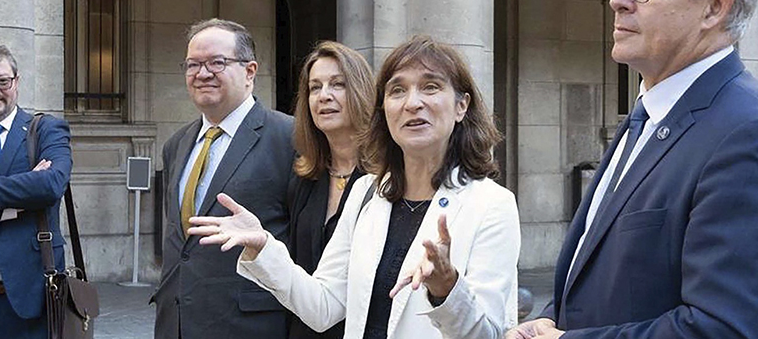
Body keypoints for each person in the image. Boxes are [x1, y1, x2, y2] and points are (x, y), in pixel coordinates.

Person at [507, 0, 758, 339]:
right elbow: (603, 278)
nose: (617, 0)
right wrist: (548, 321)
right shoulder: (650, 115)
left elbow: (730, 330)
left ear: (715, 6)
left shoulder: (754, 137)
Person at [190, 35, 520, 339]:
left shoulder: (492, 205)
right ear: (384, 110)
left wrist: (447, 290)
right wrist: (264, 248)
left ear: (462, 106)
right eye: (397, 90)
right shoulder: (367, 193)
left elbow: (488, 333)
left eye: (430, 87)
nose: (412, 103)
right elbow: (322, 307)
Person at [151, 18, 295, 339]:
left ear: (250, 71)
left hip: (250, 327)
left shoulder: (289, 138)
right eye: (193, 64)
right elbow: (181, 245)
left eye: (217, 62)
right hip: (176, 324)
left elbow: (306, 244)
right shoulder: (176, 145)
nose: (202, 74)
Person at [0, 43, 72, 338]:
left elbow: (50, 185)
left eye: (2, 81)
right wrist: (22, 199)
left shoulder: (46, 131)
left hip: (32, 298)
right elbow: (37, 190)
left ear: (16, 82)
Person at [286, 41, 374, 339]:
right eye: (315, 87)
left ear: (361, 92)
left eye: (338, 84)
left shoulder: (387, 179)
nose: (324, 96)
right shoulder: (304, 178)